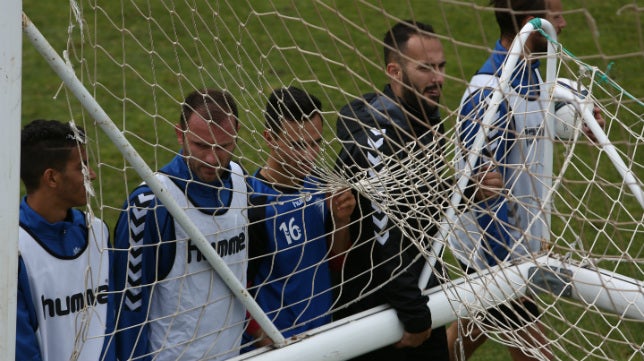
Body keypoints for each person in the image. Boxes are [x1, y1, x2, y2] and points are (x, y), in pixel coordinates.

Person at [334, 20, 503, 361]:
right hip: (378, 308)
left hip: (418, 286)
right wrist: (414, 313)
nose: (438, 78)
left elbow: (414, 205)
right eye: (425, 68)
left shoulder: (427, 119)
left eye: (440, 67)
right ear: (395, 71)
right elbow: (382, 231)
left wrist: (468, 190)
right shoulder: (380, 134)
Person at [446, 1, 603, 360]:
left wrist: (582, 118)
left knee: (476, 328)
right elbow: (484, 191)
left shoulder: (537, 76)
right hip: (490, 244)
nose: (562, 24)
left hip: (518, 242)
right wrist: (509, 269)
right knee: (535, 349)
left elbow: (548, 108)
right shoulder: (490, 94)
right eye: (556, 15)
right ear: (529, 24)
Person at [113, 89, 248, 360]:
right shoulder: (149, 203)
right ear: (179, 134)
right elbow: (128, 308)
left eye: (222, 146)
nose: (212, 159)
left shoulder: (240, 180)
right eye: (200, 145)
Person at [242, 86, 355, 349]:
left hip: (324, 337)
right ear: (270, 138)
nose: (309, 155)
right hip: (277, 347)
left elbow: (336, 263)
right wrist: (265, 339)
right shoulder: (253, 203)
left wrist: (342, 221)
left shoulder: (320, 185)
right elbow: (234, 288)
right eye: (298, 145)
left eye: (316, 142)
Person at [16, 119, 116, 361]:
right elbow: (20, 348)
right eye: (81, 167)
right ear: (51, 178)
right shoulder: (13, 249)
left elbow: (114, 320)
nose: (91, 174)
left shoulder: (97, 231)